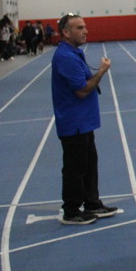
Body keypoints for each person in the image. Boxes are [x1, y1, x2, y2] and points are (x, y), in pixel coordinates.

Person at [51, 13, 118, 225]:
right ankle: (71, 211)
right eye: (79, 28)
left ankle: (92, 203)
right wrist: (102, 71)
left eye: (85, 27)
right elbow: (81, 90)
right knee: (75, 168)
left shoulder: (73, 53)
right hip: (74, 123)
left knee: (89, 165)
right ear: (66, 32)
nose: (85, 31)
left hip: (83, 122)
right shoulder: (66, 57)